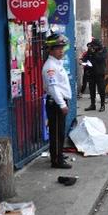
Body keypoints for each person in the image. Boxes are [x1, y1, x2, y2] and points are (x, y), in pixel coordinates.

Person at [42, 33, 72, 169]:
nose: (62, 51)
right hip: (56, 103)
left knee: (60, 132)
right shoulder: (50, 67)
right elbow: (53, 88)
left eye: (62, 48)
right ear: (51, 50)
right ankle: (56, 160)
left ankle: (58, 154)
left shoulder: (56, 64)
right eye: (58, 48)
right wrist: (62, 104)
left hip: (59, 102)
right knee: (56, 133)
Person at [83, 38, 107, 112]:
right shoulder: (91, 50)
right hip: (91, 72)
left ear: (97, 46)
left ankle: (102, 105)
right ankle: (92, 104)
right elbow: (85, 57)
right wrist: (82, 60)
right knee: (91, 89)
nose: (93, 47)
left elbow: (100, 59)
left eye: (94, 46)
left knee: (101, 90)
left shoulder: (103, 50)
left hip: (100, 73)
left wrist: (93, 53)